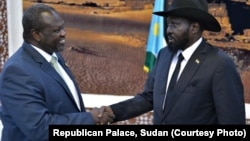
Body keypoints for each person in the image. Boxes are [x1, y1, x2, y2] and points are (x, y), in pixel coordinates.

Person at [104, 0, 246, 124]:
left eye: (175, 25)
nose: (168, 30)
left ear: (194, 28)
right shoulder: (164, 55)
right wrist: (111, 112)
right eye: (168, 24)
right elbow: (149, 98)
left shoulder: (219, 63)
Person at [0, 3, 115, 141]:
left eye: (63, 28)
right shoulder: (17, 72)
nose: (64, 33)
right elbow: (40, 128)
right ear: (36, 35)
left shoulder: (54, 56)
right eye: (56, 30)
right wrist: (90, 118)